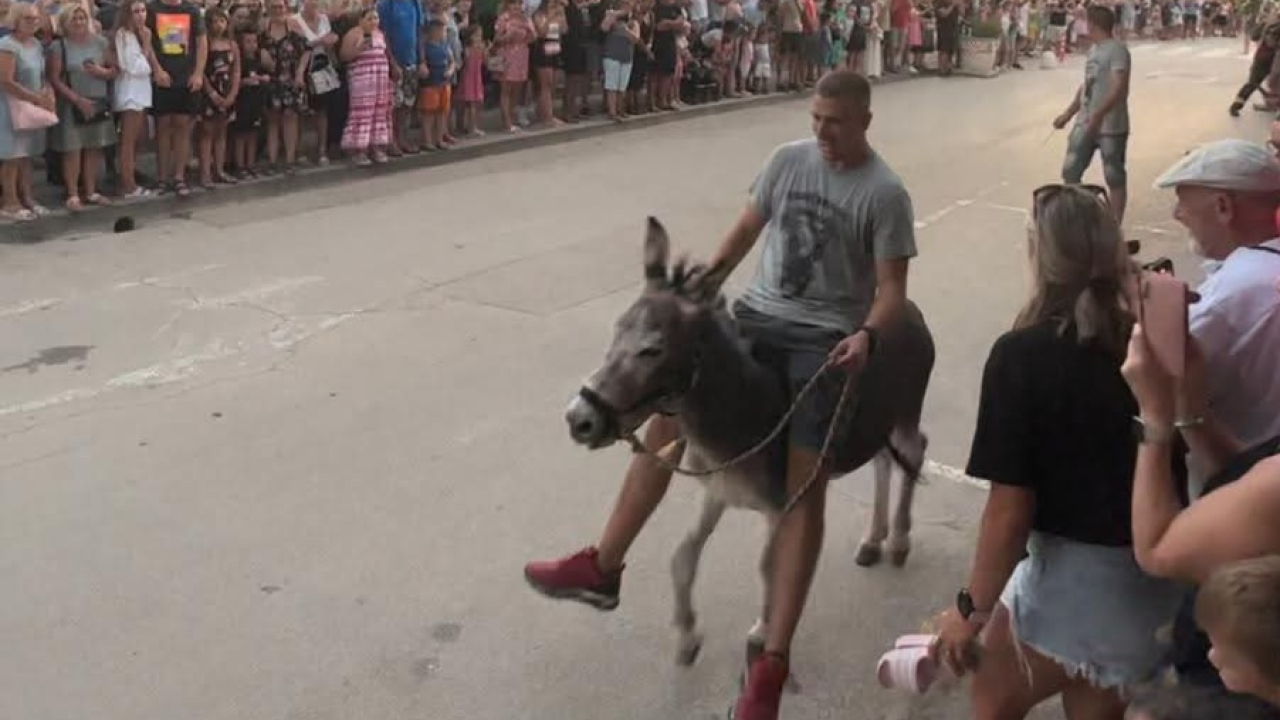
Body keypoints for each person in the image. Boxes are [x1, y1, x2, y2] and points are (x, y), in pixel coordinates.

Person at [525, 70, 917, 720]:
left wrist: (869, 337)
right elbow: (742, 234)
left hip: (821, 341)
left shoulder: (885, 194)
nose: (821, 131)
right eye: (816, 117)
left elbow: (893, 292)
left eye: (835, 122)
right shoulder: (787, 160)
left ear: (865, 122)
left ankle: (771, 664)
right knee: (664, 417)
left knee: (798, 491)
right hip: (753, 319)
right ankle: (604, 566)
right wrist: (696, 293)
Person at [927, 184, 1181, 720]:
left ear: (1039, 254)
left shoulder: (1022, 355)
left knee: (993, 697)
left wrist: (969, 609)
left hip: (1076, 585)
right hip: (1149, 588)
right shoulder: (1146, 339)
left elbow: (1008, 512)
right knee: (1090, 700)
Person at [1151, 139, 1280, 457]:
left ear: (1224, 207)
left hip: (1240, 481)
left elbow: (1159, 390)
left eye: (1183, 201)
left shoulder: (1231, 295)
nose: (1177, 214)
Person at [1053, 5, 1131, 224]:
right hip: (1086, 120)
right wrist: (1068, 113)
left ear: (1093, 24)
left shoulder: (1117, 50)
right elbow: (1087, 84)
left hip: (1110, 125)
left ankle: (1115, 224)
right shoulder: (1094, 50)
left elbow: (1119, 87)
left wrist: (1100, 114)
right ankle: (1078, 216)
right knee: (1071, 169)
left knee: (1114, 174)